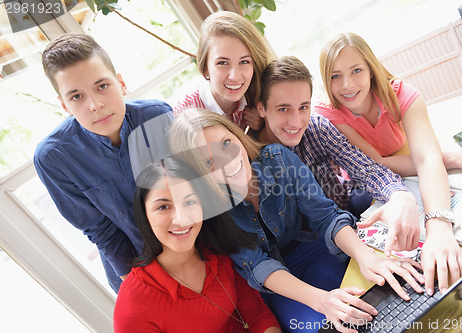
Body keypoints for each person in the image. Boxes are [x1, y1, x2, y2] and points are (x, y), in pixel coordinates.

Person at [168, 108, 423, 333]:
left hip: (318, 250)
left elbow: (326, 217)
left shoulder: (278, 158)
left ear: (236, 135)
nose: (228, 161)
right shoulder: (212, 214)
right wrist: (321, 300)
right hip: (280, 284)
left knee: (379, 298)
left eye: (226, 143)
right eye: (209, 162)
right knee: (322, 325)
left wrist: (366, 256)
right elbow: (258, 266)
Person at [314, 33, 462, 296]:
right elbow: (378, 163)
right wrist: (452, 157)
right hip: (368, 183)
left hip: (405, 161)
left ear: (371, 69)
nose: (348, 85)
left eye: (356, 70)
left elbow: (426, 157)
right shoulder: (328, 115)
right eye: (335, 76)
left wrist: (439, 227)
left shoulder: (401, 93)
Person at [33, 33, 172, 293]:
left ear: (121, 82)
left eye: (102, 86)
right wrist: (146, 288)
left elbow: (193, 194)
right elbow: (103, 232)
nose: (96, 104)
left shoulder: (157, 116)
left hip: (198, 248)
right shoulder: (53, 159)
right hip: (136, 270)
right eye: (76, 97)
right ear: (64, 105)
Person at [256, 56, 420, 255]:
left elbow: (366, 168)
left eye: (303, 107)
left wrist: (399, 195)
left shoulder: (317, 128)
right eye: (283, 109)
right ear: (261, 108)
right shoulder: (253, 157)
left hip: (346, 204)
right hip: (307, 241)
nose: (296, 121)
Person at [113, 156, 281, 333]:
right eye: (163, 207)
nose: (181, 219)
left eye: (190, 202)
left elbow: (255, 313)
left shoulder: (219, 249)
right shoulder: (134, 305)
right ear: (144, 215)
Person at [172, 11, 276, 132]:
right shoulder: (183, 115)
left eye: (244, 62)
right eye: (222, 63)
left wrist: (262, 128)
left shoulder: (257, 94)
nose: (235, 76)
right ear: (206, 68)